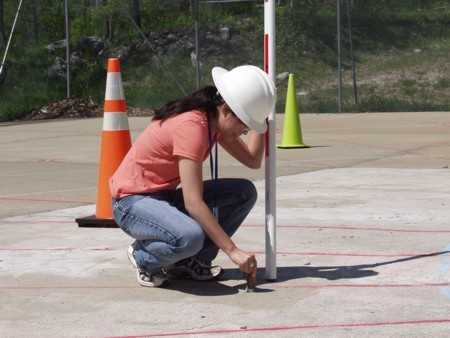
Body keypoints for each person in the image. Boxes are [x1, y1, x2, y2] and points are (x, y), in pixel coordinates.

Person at [110, 65, 276, 287]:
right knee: (190, 236)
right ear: (227, 110)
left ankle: (190, 262)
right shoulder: (192, 127)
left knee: (243, 193)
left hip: (163, 196)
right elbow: (193, 203)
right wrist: (233, 251)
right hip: (132, 202)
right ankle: (143, 256)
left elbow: (252, 161)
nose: (244, 132)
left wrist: (260, 119)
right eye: (245, 125)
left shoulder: (215, 122)